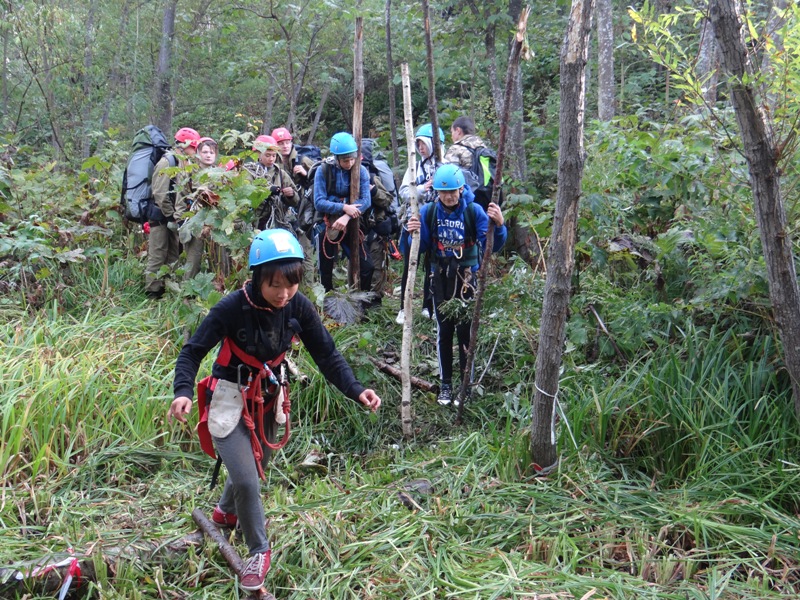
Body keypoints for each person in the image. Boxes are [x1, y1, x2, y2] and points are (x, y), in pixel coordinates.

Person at [167, 228, 381, 592]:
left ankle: (224, 513)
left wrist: (356, 390)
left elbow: (326, 354)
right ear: (257, 279)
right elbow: (192, 351)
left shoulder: (297, 307)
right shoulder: (231, 308)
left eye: (291, 285)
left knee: (256, 465)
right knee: (249, 480)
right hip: (230, 399)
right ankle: (258, 551)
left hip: (268, 396)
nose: (284, 295)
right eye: (275, 286)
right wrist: (183, 391)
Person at [405, 164, 506, 407]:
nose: (448, 196)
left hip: (466, 278)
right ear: (437, 192)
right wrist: (412, 234)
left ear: (461, 189)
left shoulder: (474, 212)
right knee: (444, 331)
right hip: (440, 277)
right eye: (443, 192)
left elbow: (493, 245)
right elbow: (421, 246)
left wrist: (500, 226)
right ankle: (446, 384)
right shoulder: (429, 212)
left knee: (465, 332)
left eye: (453, 191)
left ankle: (465, 385)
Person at [396, 123, 444, 324]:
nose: (420, 147)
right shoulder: (414, 165)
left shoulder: (445, 164)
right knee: (410, 262)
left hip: (438, 221)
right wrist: (422, 189)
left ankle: (428, 305)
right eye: (417, 144)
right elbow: (404, 192)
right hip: (415, 220)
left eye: (423, 143)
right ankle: (403, 307)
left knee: (433, 264)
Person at [313, 132, 373, 293]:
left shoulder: (361, 171)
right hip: (327, 224)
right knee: (325, 269)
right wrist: (343, 207)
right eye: (346, 160)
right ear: (337, 158)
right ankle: (327, 302)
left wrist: (347, 216)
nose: (350, 163)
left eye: (352, 159)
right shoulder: (323, 170)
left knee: (367, 265)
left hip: (353, 222)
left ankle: (363, 302)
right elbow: (319, 201)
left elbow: (366, 200)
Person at [144, 126, 200, 298]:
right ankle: (152, 293)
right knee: (158, 254)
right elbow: (160, 194)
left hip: (173, 217)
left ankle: (168, 288)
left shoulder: (184, 162)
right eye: (194, 146)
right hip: (160, 217)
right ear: (184, 144)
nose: (195, 150)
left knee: (173, 254)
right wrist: (172, 216)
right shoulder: (167, 161)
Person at [272, 127, 316, 282]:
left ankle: (308, 287)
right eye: (281, 143)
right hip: (280, 213)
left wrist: (306, 174)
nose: (285, 146)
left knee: (305, 250)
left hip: (303, 210)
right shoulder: (273, 164)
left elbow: (320, 182)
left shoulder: (303, 160)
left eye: (287, 142)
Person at [180, 137, 218, 280]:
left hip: (215, 221)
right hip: (195, 221)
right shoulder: (189, 173)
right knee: (193, 259)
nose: (208, 155)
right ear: (198, 153)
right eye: (205, 152)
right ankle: (186, 294)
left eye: (212, 152)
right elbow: (181, 198)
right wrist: (181, 221)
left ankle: (221, 291)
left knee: (218, 260)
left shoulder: (221, 174)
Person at [244, 136, 299, 231]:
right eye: (267, 155)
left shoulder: (281, 173)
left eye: (274, 155)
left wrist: (291, 195)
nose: (271, 159)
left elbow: (296, 201)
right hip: (255, 222)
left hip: (278, 221)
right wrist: (268, 191)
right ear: (258, 154)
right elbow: (246, 193)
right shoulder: (249, 172)